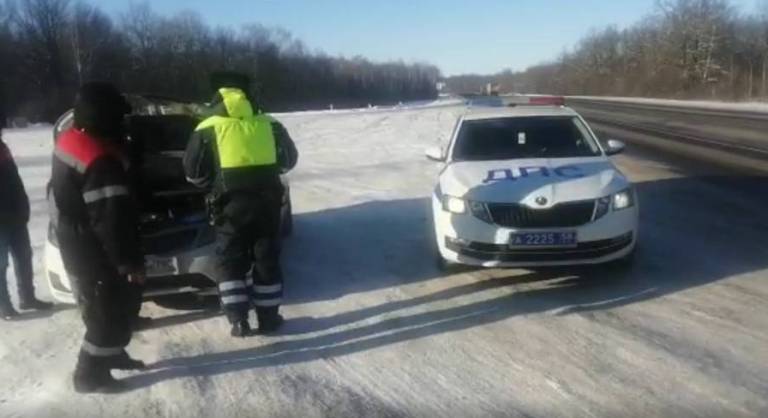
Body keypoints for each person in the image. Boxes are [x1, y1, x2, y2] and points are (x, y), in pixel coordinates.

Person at [184, 73, 298, 337]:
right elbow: (289, 161)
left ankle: (238, 321)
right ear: (248, 94)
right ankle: (269, 319)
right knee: (266, 258)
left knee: (230, 261)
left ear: (216, 96)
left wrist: (213, 183)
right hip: (267, 205)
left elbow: (193, 173)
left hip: (229, 208)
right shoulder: (270, 124)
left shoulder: (207, 127)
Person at [51, 82, 146, 393]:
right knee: (108, 315)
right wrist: (128, 262)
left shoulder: (71, 139)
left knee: (107, 309)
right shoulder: (100, 163)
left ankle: (112, 355)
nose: (122, 123)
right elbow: (111, 221)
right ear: (104, 118)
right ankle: (89, 375)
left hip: (77, 238)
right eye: (118, 117)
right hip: (95, 249)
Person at [0, 104, 54, 320]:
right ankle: (4, 305)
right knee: (0, 263)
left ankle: (27, 297)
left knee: (24, 256)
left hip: (15, 214)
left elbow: (13, 181)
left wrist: (23, 205)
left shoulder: (2, 148)